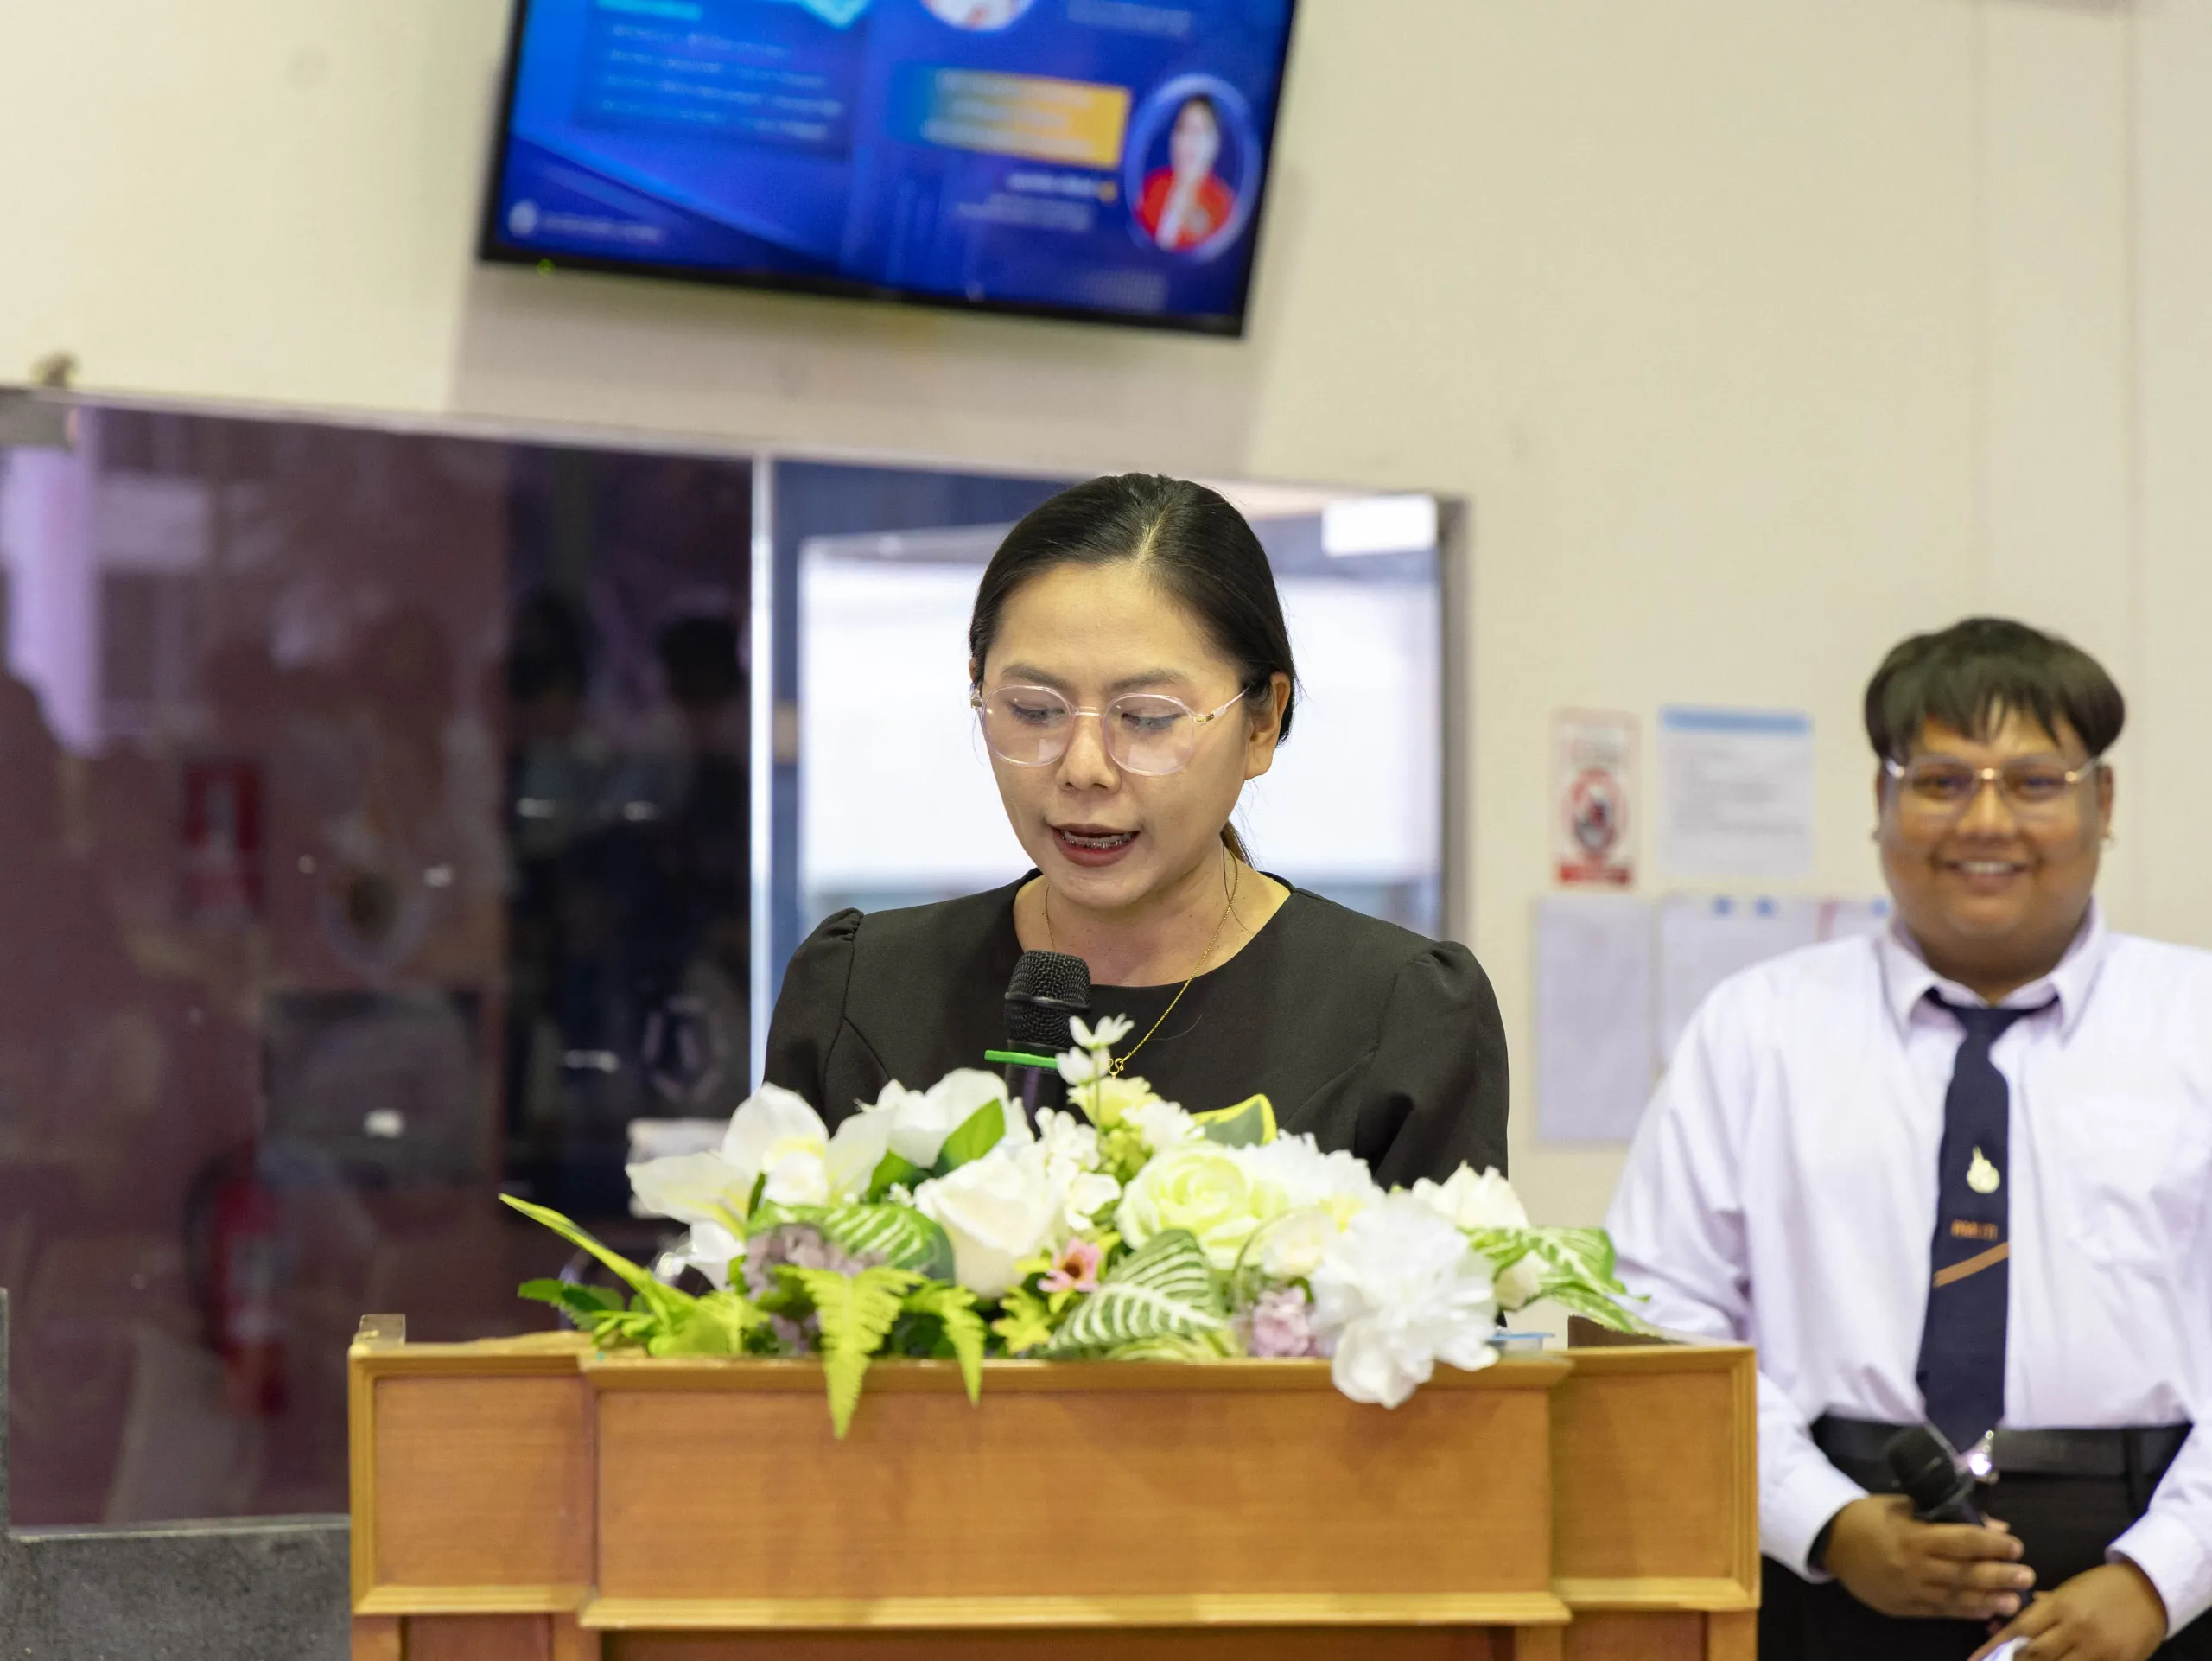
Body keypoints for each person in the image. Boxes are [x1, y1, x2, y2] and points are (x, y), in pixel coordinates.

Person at [1607, 618, 2212, 1661]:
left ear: (2102, 803)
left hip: (2145, 1571)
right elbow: (1654, 1313)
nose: (1986, 820)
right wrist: (1823, 1521)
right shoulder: (1759, 1028)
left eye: (2035, 782)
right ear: (1880, 799)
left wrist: (2160, 1575)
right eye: (1940, 780)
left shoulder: (2195, 1022)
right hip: (1834, 1562)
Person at [765, 474, 1505, 1187]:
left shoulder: (1398, 1015)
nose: (1084, 768)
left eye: (1148, 719)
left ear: (1262, 722)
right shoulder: (860, 991)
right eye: (1033, 710)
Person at [1136, 97, 1237, 253]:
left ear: (1215, 142)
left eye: (1201, 131)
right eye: (1184, 128)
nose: (1191, 139)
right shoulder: (1152, 187)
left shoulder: (1223, 207)